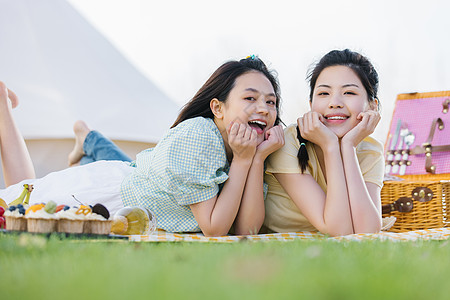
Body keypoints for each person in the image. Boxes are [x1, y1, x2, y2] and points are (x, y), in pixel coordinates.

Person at [0, 56, 285, 236]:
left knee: (22, 197)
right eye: (250, 98)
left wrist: (257, 160)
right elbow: (215, 228)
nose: (263, 108)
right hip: (107, 195)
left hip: (129, 200)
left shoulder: (249, 149)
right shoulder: (199, 136)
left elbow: (247, 229)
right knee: (15, 205)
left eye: (270, 102)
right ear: (217, 108)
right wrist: (244, 161)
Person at [263, 49, 383, 237]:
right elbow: (340, 231)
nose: (334, 102)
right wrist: (330, 147)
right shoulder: (288, 143)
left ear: (372, 106)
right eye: (324, 93)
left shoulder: (370, 150)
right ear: (311, 104)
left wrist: (348, 147)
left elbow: (367, 233)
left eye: (349, 92)